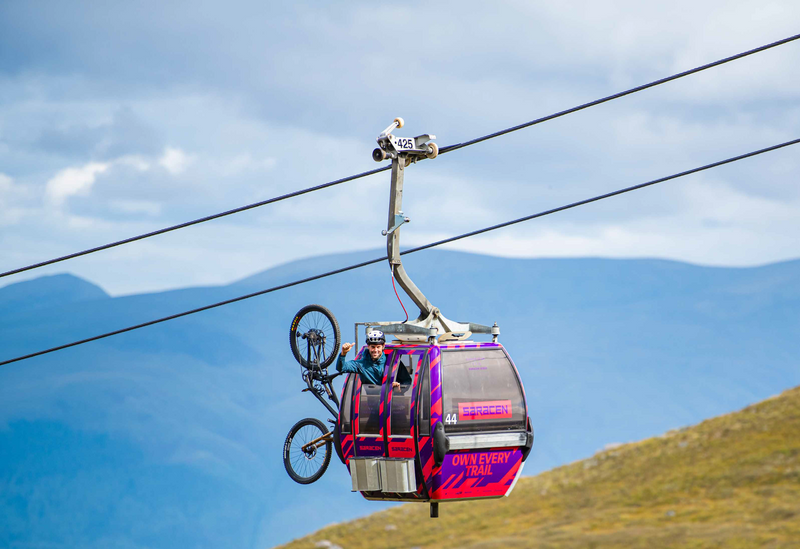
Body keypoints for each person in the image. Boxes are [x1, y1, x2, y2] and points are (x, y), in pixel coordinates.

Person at [337, 330, 403, 388]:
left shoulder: (393, 361)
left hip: (392, 400)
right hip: (370, 400)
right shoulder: (361, 364)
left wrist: (398, 387)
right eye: (373, 347)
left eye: (378, 347)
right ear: (368, 346)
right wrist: (343, 353)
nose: (375, 350)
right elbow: (341, 368)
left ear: (383, 346)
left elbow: (407, 383)